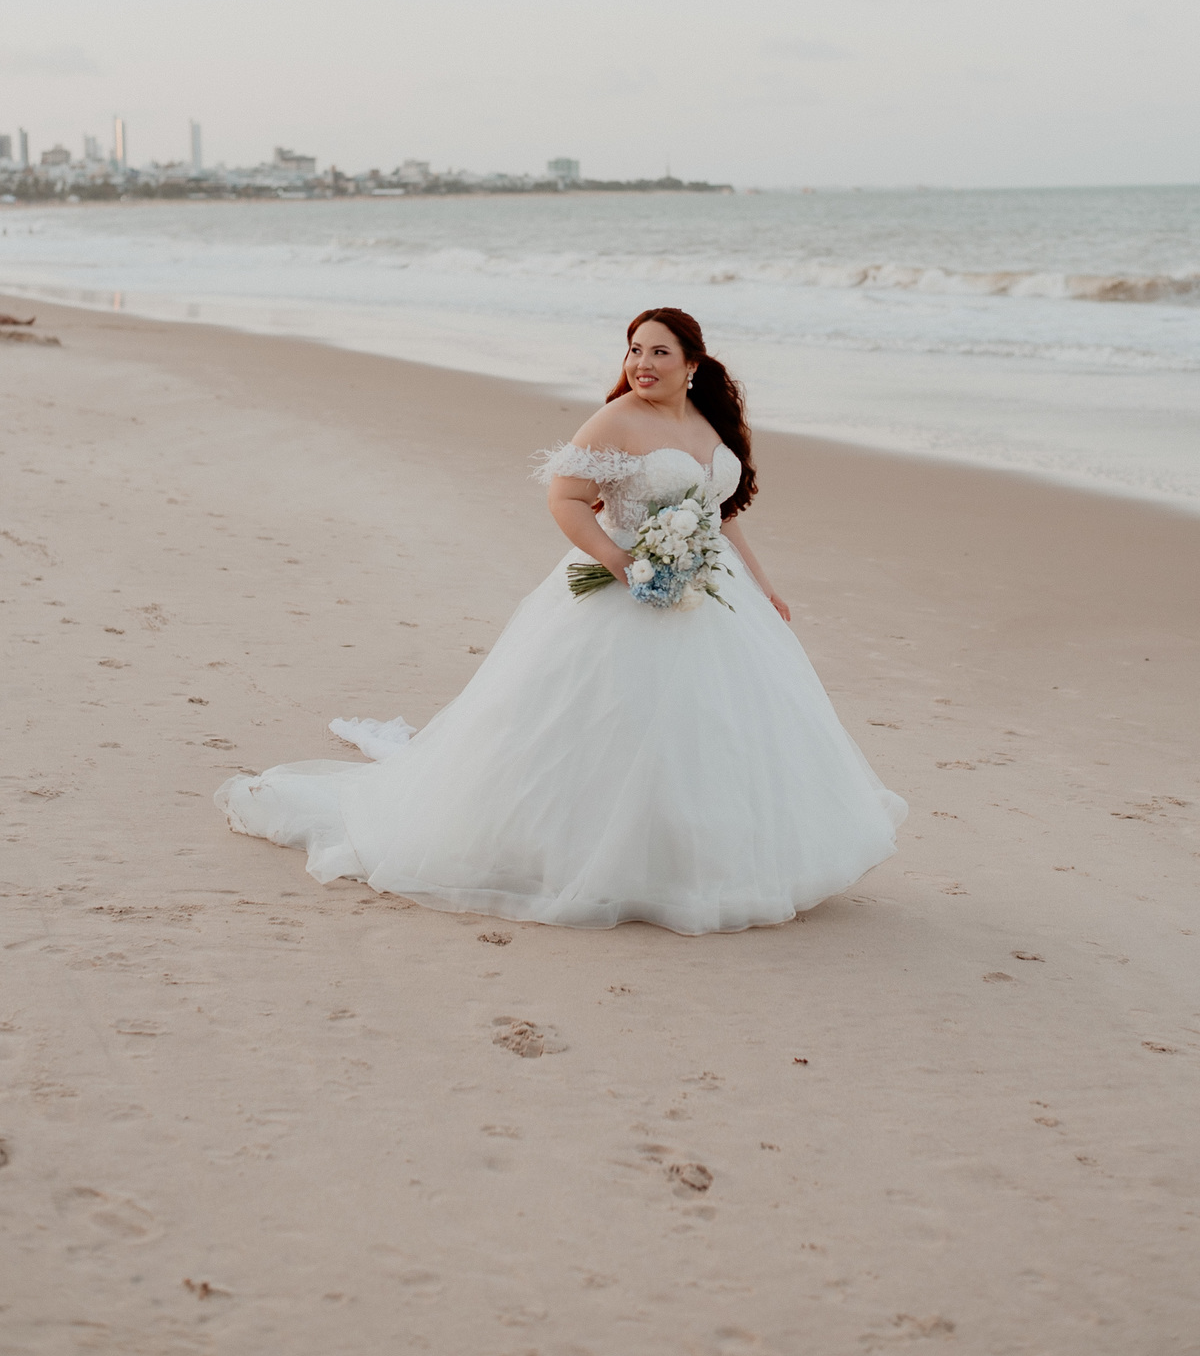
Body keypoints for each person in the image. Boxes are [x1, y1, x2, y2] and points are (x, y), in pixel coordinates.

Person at [215, 307, 905, 934]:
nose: (642, 364)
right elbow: (567, 499)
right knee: (608, 727)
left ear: (693, 364)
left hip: (713, 595)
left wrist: (765, 586)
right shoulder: (615, 422)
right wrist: (621, 563)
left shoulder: (708, 425)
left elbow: (720, 517)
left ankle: (713, 860)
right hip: (622, 588)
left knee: (721, 730)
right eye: (634, 350)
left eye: (660, 352)